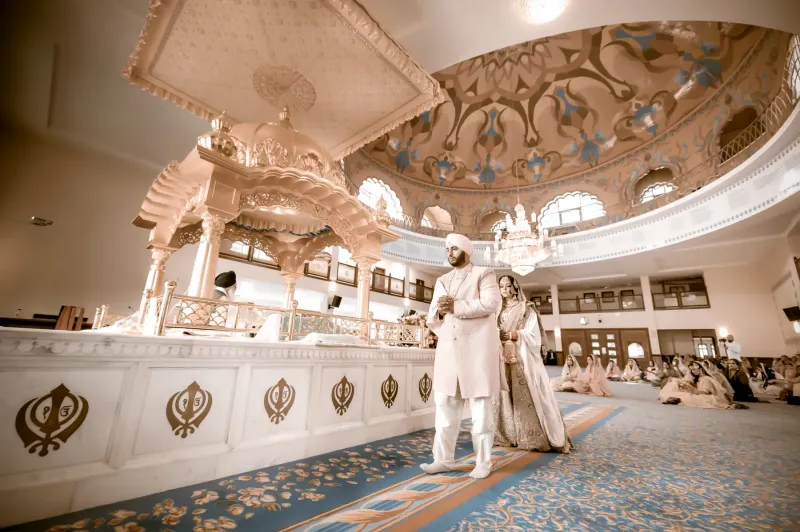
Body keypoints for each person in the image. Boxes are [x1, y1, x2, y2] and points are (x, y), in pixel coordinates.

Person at [422, 234, 503, 480]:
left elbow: (491, 303)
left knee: (480, 411)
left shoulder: (483, 273)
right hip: (448, 351)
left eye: (454, 248)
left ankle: (483, 462)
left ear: (467, 251)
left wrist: (456, 307)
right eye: (447, 249)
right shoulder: (442, 280)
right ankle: (442, 460)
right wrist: (440, 311)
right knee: (444, 409)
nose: (449, 252)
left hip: (477, 350)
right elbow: (431, 317)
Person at [493, 275, 572, 453]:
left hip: (520, 357)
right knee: (502, 396)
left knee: (523, 393)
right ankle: (506, 434)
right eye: (501, 286)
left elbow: (533, 334)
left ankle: (528, 435)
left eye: (507, 285)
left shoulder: (526, 308)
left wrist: (514, 335)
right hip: (500, 356)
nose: (504, 289)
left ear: (515, 287)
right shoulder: (496, 309)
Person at [659, 361, 735, 409]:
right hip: (700, 393)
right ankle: (675, 399)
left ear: (701, 369)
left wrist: (693, 391)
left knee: (690, 397)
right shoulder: (698, 378)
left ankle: (677, 400)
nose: (692, 372)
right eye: (691, 370)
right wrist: (686, 386)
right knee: (676, 382)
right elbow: (689, 383)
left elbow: (706, 392)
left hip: (710, 397)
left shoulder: (706, 379)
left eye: (694, 369)